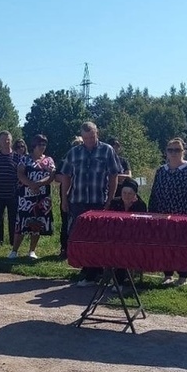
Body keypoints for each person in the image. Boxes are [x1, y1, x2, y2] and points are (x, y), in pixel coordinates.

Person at [59, 121, 123, 285]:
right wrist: (64, 199)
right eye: (85, 137)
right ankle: (87, 269)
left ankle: (96, 271)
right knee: (80, 237)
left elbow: (114, 175)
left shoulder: (107, 150)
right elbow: (65, 175)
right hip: (78, 201)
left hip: (98, 201)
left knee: (98, 238)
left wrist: (110, 198)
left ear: (97, 134)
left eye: (91, 137)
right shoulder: (74, 152)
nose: (88, 140)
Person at [149, 137, 187, 286]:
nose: (173, 153)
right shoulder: (161, 171)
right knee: (165, 244)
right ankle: (167, 275)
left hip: (184, 215)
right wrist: (152, 212)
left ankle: (183, 277)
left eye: (177, 150)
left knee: (183, 246)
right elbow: (154, 193)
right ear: (166, 152)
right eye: (170, 150)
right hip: (163, 215)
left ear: (183, 151)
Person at [9, 134, 55, 260]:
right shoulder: (25, 159)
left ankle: (32, 251)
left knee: (37, 224)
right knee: (22, 223)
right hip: (26, 197)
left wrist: (39, 183)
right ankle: (14, 251)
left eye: (44, 144)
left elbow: (52, 175)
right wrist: (31, 184)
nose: (43, 147)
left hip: (42, 197)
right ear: (34, 145)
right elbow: (20, 174)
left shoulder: (49, 160)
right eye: (40, 144)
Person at [107, 178, 148, 287]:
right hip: (116, 236)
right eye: (124, 192)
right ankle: (101, 277)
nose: (126, 195)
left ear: (135, 194)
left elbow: (142, 226)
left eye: (130, 193)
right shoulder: (115, 202)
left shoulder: (140, 205)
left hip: (134, 238)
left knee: (124, 249)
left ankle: (119, 281)